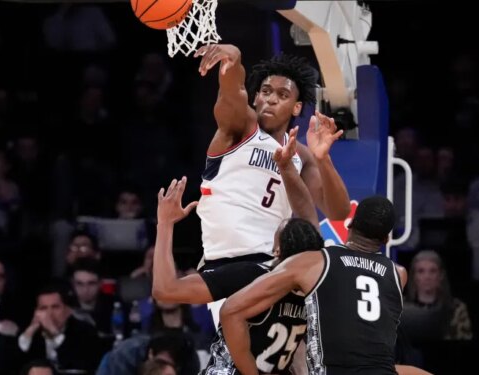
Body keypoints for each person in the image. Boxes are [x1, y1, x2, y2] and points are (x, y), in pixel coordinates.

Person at [192, 43, 350, 271]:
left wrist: (323, 159)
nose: (271, 99)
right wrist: (233, 60)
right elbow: (231, 93)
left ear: (296, 108)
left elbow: (339, 212)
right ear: (255, 97)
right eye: (266, 92)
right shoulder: (241, 127)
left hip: (272, 262)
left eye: (282, 95)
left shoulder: (300, 155)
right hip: (223, 260)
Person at [150, 175, 323, 374]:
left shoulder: (251, 275)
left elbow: (165, 289)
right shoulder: (316, 293)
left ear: (276, 250)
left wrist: (165, 224)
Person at [220, 196, 403, 375]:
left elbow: (231, 311)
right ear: (386, 238)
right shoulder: (398, 274)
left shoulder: (314, 263)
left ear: (349, 224)